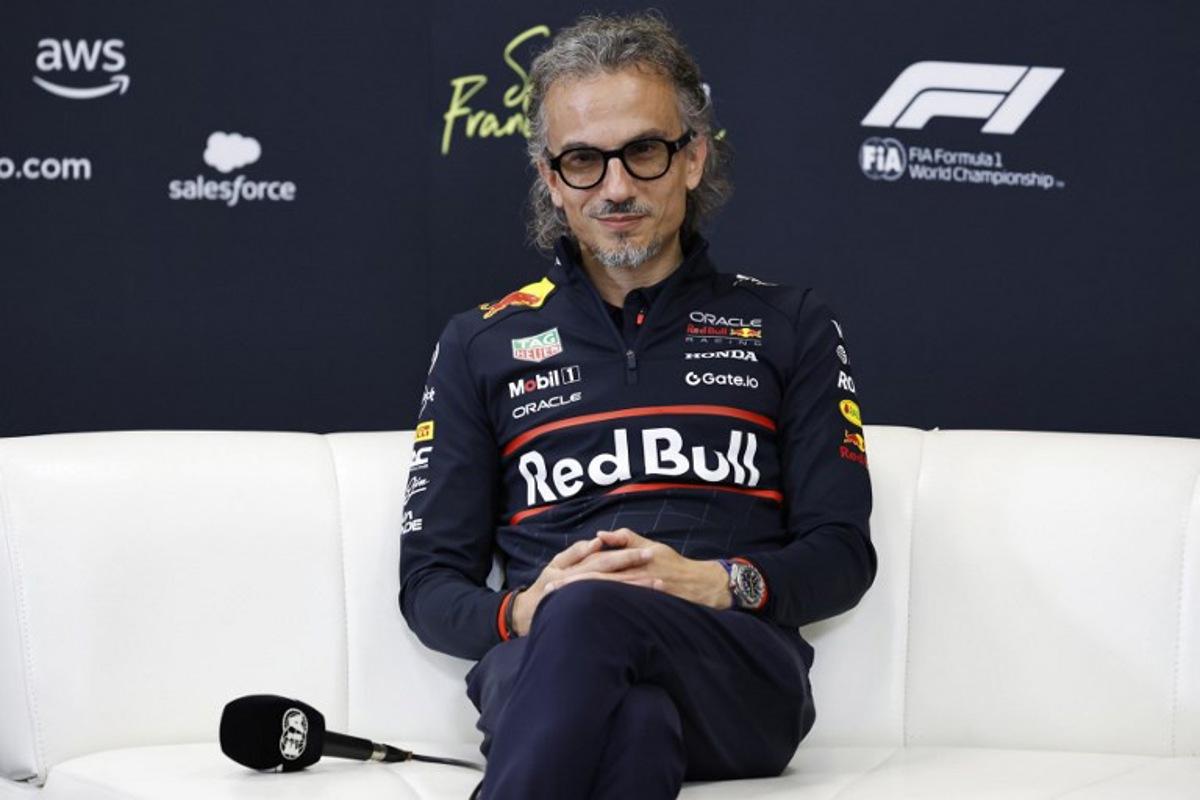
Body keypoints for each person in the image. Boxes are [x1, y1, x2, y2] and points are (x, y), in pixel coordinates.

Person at [399, 11, 876, 799]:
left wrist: (716, 580)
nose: (616, 188)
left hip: (738, 676)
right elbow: (430, 585)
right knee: (638, 726)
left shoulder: (789, 325)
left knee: (594, 614)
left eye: (643, 152)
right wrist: (526, 608)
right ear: (552, 180)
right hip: (542, 663)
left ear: (693, 158)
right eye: (583, 161)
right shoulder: (480, 343)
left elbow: (842, 555)